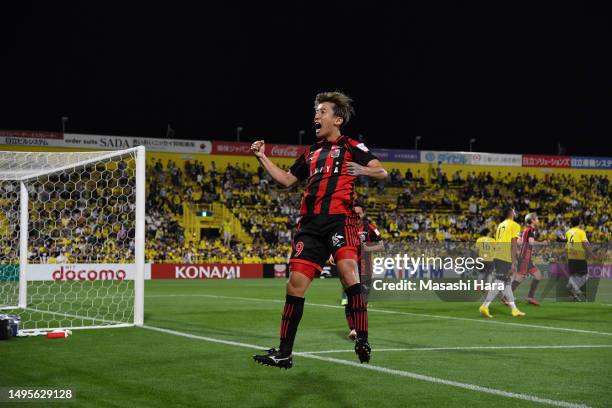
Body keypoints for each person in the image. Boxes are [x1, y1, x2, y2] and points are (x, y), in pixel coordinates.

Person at [250, 91, 387, 369]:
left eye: (322, 111)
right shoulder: (311, 152)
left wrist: (361, 171)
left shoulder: (351, 145)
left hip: (340, 219)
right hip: (310, 225)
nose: (316, 116)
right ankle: (284, 354)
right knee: (295, 285)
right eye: (316, 111)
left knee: (349, 270)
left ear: (337, 119)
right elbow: (287, 180)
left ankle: (362, 338)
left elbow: (381, 171)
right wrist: (262, 158)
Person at [336, 201, 385, 340]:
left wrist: (365, 247)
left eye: (359, 213)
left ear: (363, 214)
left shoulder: (370, 228)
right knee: (349, 299)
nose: (356, 216)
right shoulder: (344, 229)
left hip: (365, 270)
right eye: (354, 213)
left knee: (361, 301)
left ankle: (359, 327)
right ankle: (353, 329)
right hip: (348, 268)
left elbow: (381, 246)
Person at [479, 206, 525, 318]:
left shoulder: (501, 225)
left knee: (507, 283)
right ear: (511, 213)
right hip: (505, 256)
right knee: (500, 283)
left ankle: (514, 309)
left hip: (498, 255)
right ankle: (485, 306)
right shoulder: (514, 225)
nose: (515, 211)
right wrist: (513, 262)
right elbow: (514, 243)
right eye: (514, 210)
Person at [510, 213, 545, 305]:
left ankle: (530, 297)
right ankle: (506, 296)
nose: (538, 220)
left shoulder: (528, 230)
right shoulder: (530, 230)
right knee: (520, 277)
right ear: (532, 220)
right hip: (525, 257)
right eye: (537, 218)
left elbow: (521, 242)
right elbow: (531, 242)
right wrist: (543, 243)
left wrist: (530, 250)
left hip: (527, 257)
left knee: (538, 275)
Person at [565, 217, 595, 301]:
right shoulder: (581, 232)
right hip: (579, 256)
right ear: (580, 223)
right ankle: (575, 289)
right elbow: (585, 243)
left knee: (574, 275)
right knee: (585, 275)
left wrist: (566, 256)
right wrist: (592, 254)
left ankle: (571, 287)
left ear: (571, 223)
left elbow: (567, 246)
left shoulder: (568, 232)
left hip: (571, 256)